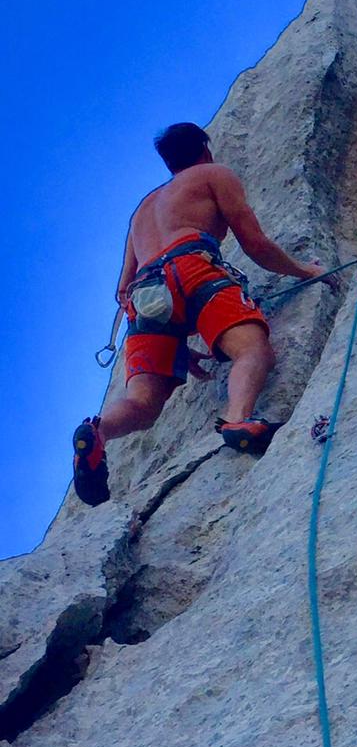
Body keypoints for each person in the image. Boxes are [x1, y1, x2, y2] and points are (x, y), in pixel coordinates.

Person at [72, 122, 325, 506]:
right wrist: (306, 271)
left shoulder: (142, 211)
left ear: (168, 163)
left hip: (145, 296)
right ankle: (238, 417)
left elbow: (122, 289)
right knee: (251, 349)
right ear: (205, 150)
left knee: (143, 403)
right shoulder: (213, 175)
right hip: (192, 268)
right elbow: (254, 243)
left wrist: (175, 341)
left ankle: (99, 432)